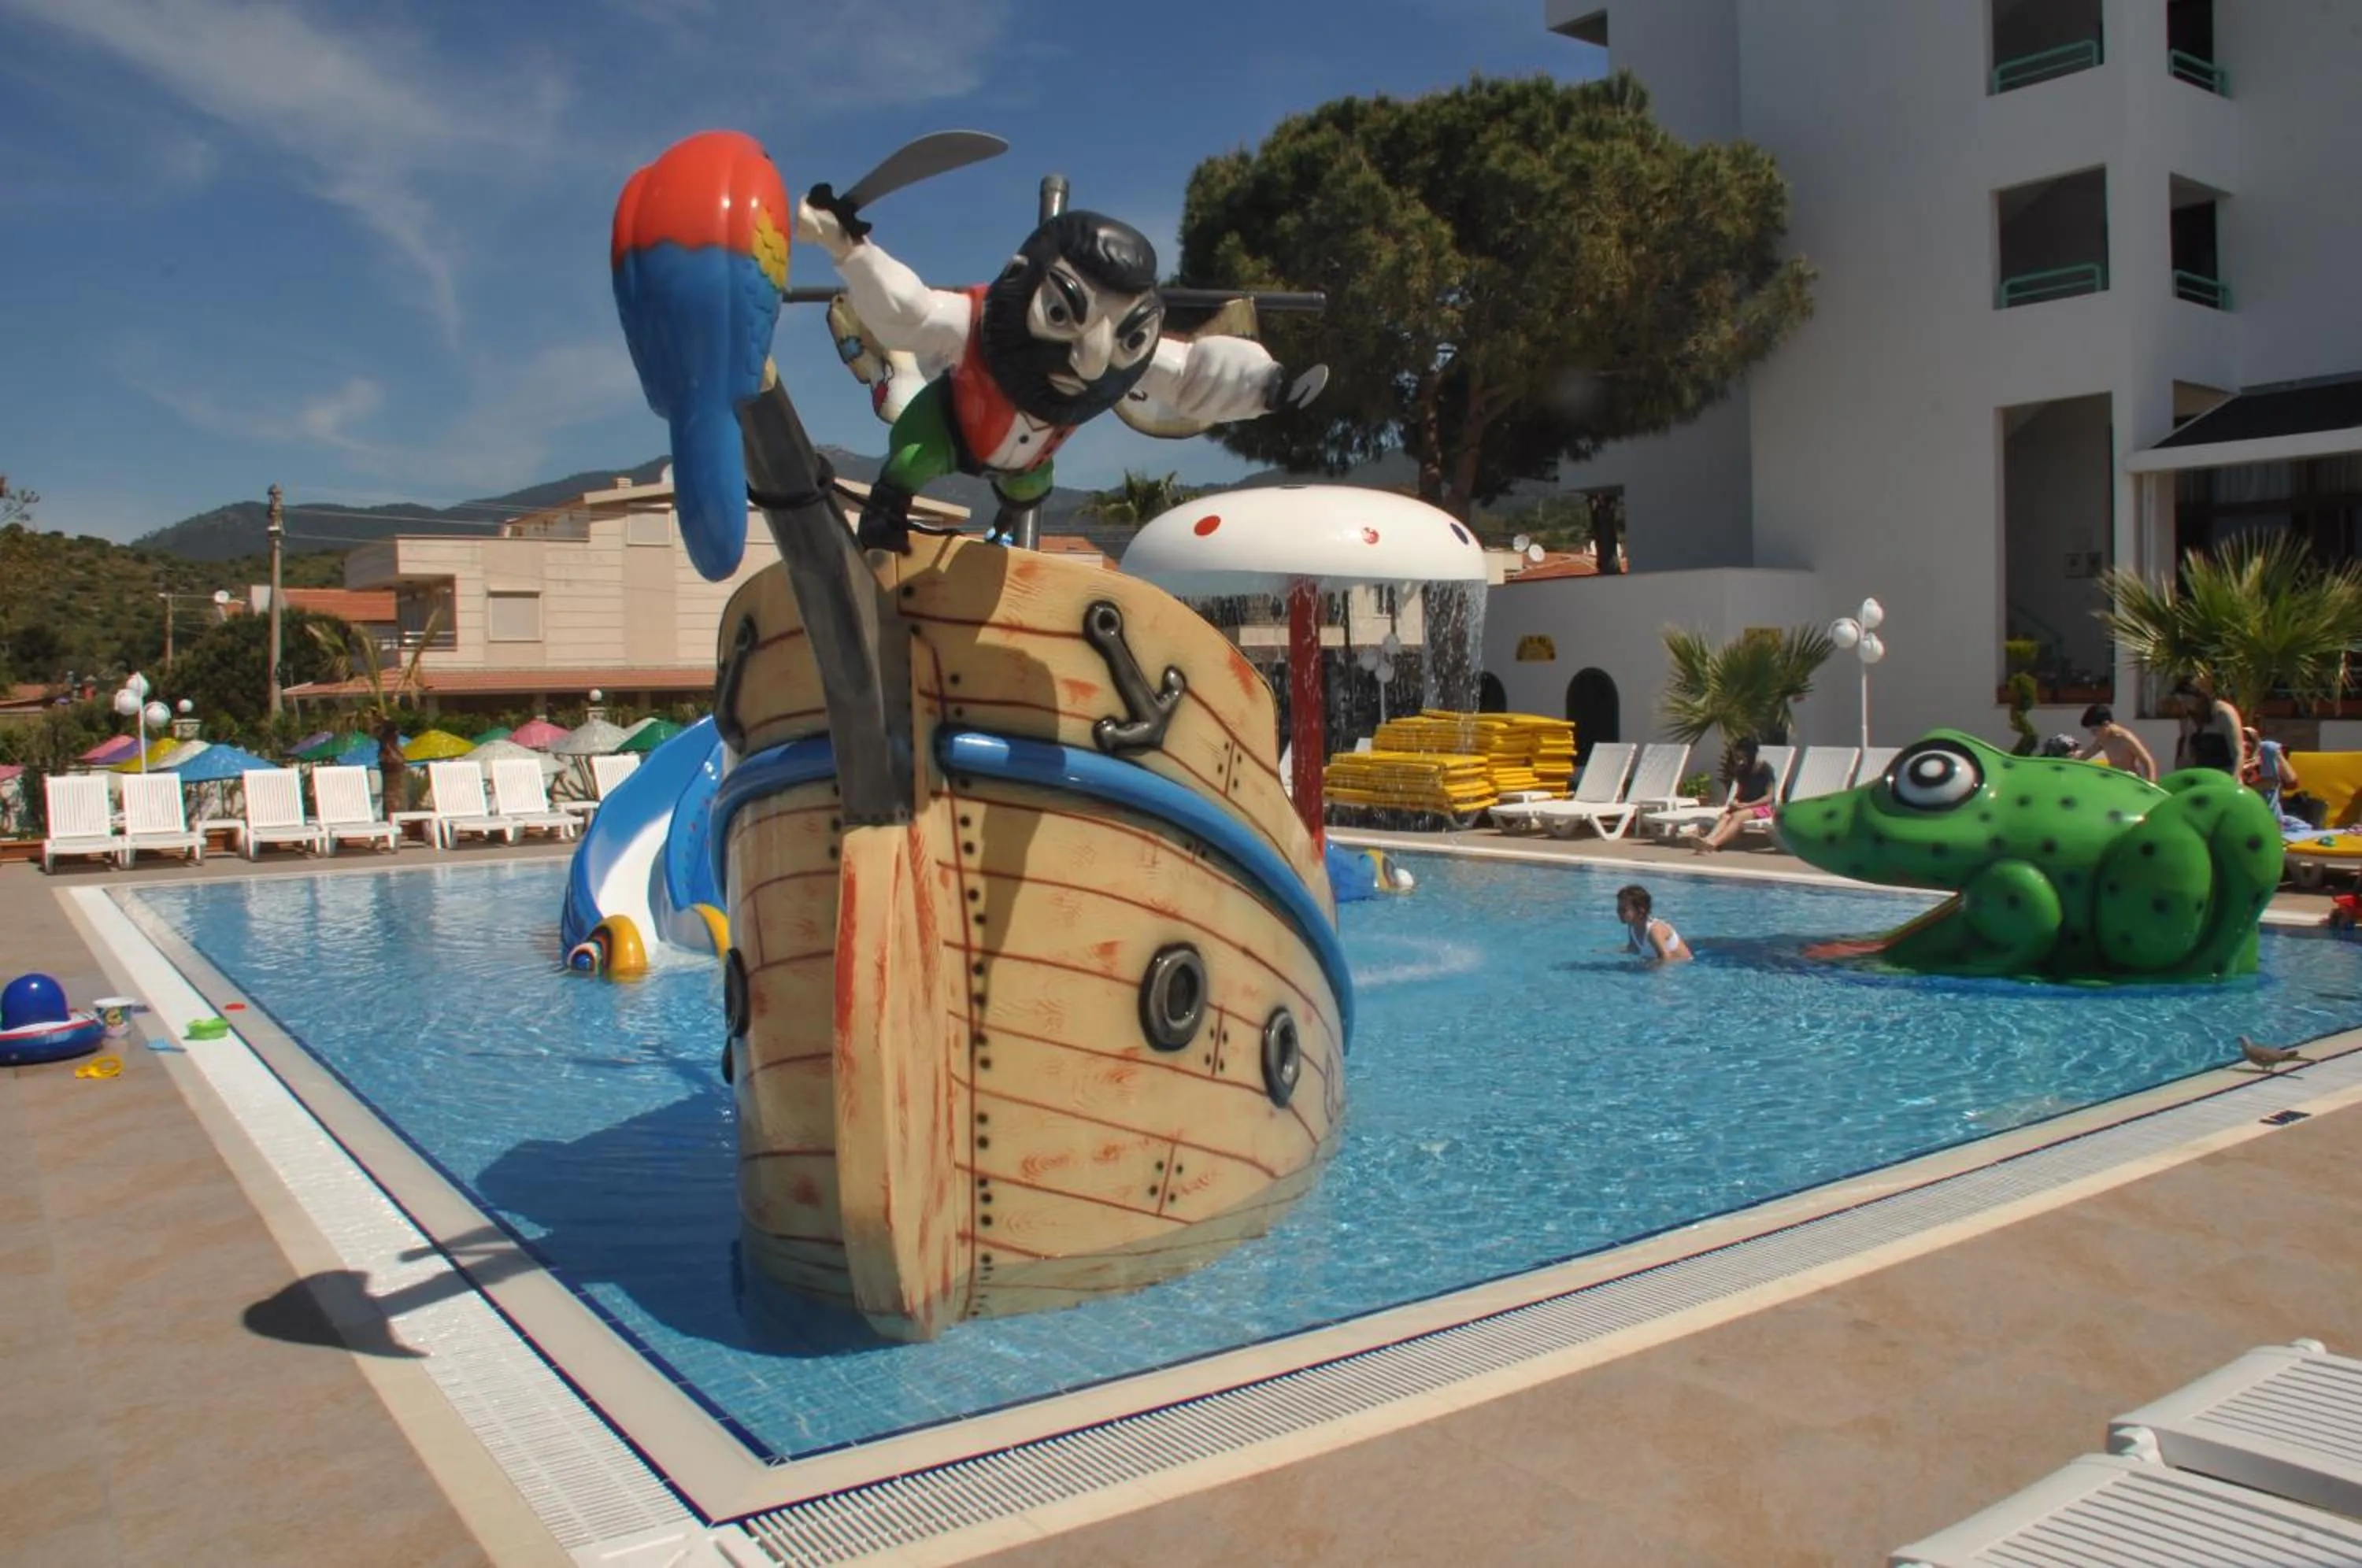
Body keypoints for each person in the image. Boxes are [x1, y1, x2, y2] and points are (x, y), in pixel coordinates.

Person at [1693, 737, 1779, 854]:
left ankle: (1713, 843)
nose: (1741, 759)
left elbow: (1769, 797)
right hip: (1744, 806)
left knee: (1737, 816)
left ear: (1751, 754)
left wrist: (1748, 805)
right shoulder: (1742, 770)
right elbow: (1740, 793)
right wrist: (1735, 802)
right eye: (1739, 756)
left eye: (1743, 756)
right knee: (1724, 816)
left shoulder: (1765, 769)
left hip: (1764, 807)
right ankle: (1708, 840)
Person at [2173, 682, 2245, 775]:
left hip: (2224, 775)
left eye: (2186, 700)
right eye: (2180, 701)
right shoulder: (2191, 719)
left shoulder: (2223, 714)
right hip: (2202, 777)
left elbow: (2238, 754)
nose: (2184, 705)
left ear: (2200, 698)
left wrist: (2233, 781)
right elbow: (2187, 756)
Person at [2075, 703, 2158, 781]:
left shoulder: (2125, 738)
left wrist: (2151, 784)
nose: (2093, 735)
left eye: (2095, 731)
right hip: (2116, 779)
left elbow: (2147, 761)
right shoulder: (2103, 739)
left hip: (2129, 780)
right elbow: (2089, 753)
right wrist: (2073, 764)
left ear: (2106, 724)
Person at [1616, 884, 1691, 964]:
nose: (1618, 913)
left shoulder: (1654, 931)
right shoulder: (1632, 926)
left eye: (1624, 910)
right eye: (1618, 909)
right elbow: (1633, 948)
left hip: (1683, 966)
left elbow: (1666, 959)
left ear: (1641, 911)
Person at [376, 719, 407, 817]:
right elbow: (399, 759)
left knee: (390, 798)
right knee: (397, 797)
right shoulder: (397, 745)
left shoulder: (381, 745)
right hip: (397, 773)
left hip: (387, 774)